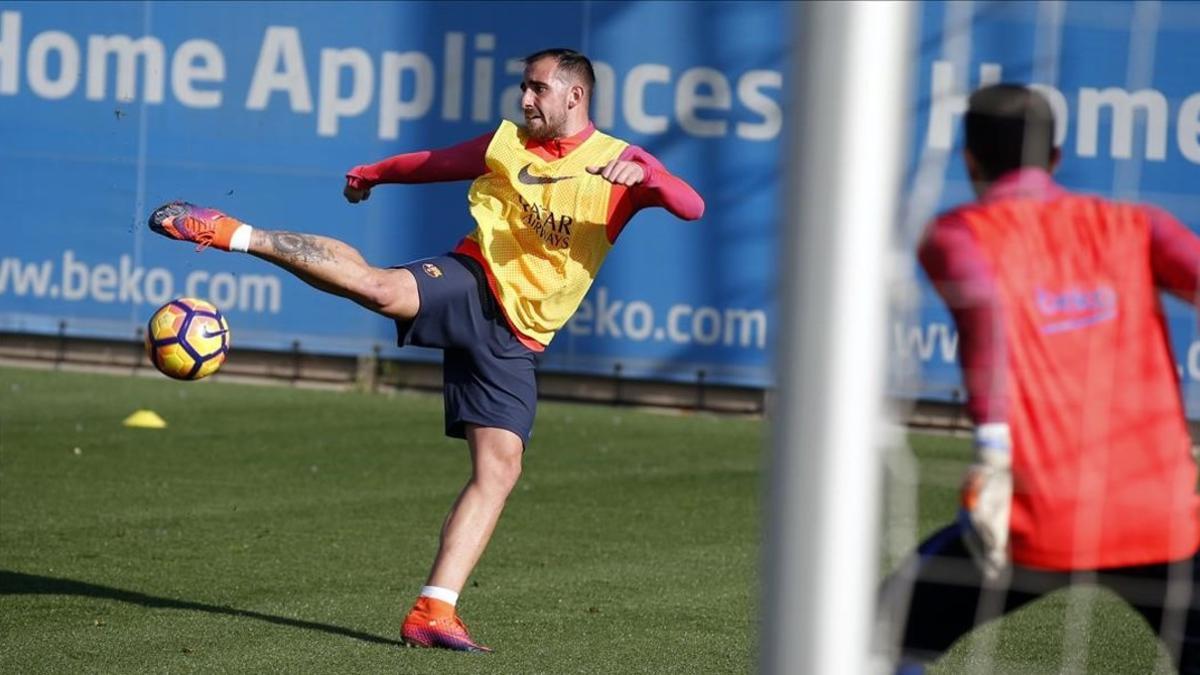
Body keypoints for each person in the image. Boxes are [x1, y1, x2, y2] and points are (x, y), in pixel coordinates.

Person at [147, 48, 704, 652]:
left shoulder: (619, 162)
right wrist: (375, 171)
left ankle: (433, 611)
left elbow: (691, 205)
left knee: (499, 472)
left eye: (537, 89)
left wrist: (649, 179)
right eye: (523, 87)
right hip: (472, 279)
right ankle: (232, 232)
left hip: (519, 337)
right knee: (382, 290)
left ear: (575, 96)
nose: (524, 99)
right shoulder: (507, 143)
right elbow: (436, 163)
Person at [879, 83, 1200, 673]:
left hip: (1035, 516)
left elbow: (986, 324)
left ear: (969, 157)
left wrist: (992, 449)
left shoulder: (953, 236)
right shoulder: (1137, 224)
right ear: (1055, 157)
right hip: (1162, 516)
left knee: (881, 632)